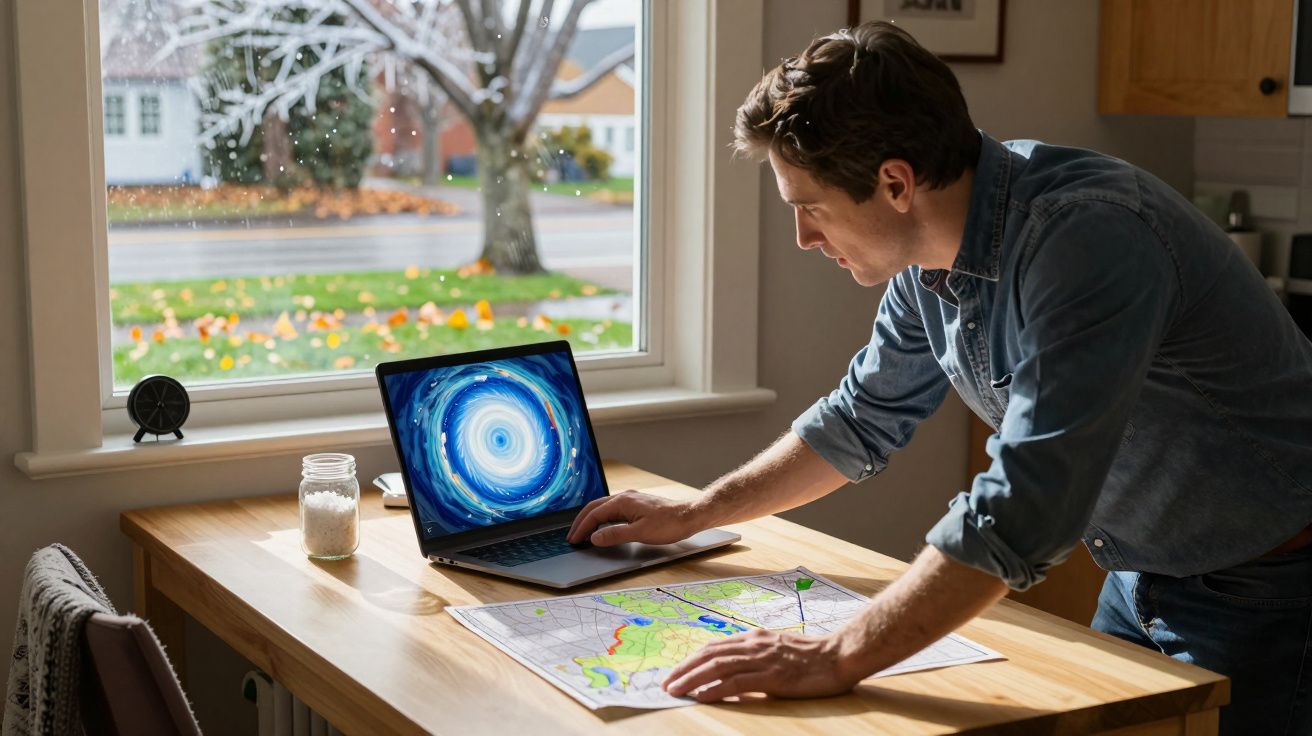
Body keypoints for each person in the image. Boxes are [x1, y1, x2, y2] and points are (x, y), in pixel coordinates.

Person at [565, 20, 1312, 734]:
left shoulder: (1087, 240)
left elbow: (1025, 506)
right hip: (1143, 573)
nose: (803, 236)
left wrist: (836, 655)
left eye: (811, 207)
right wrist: (699, 511)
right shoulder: (928, 259)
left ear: (895, 183)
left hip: (1272, 589)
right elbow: (860, 418)